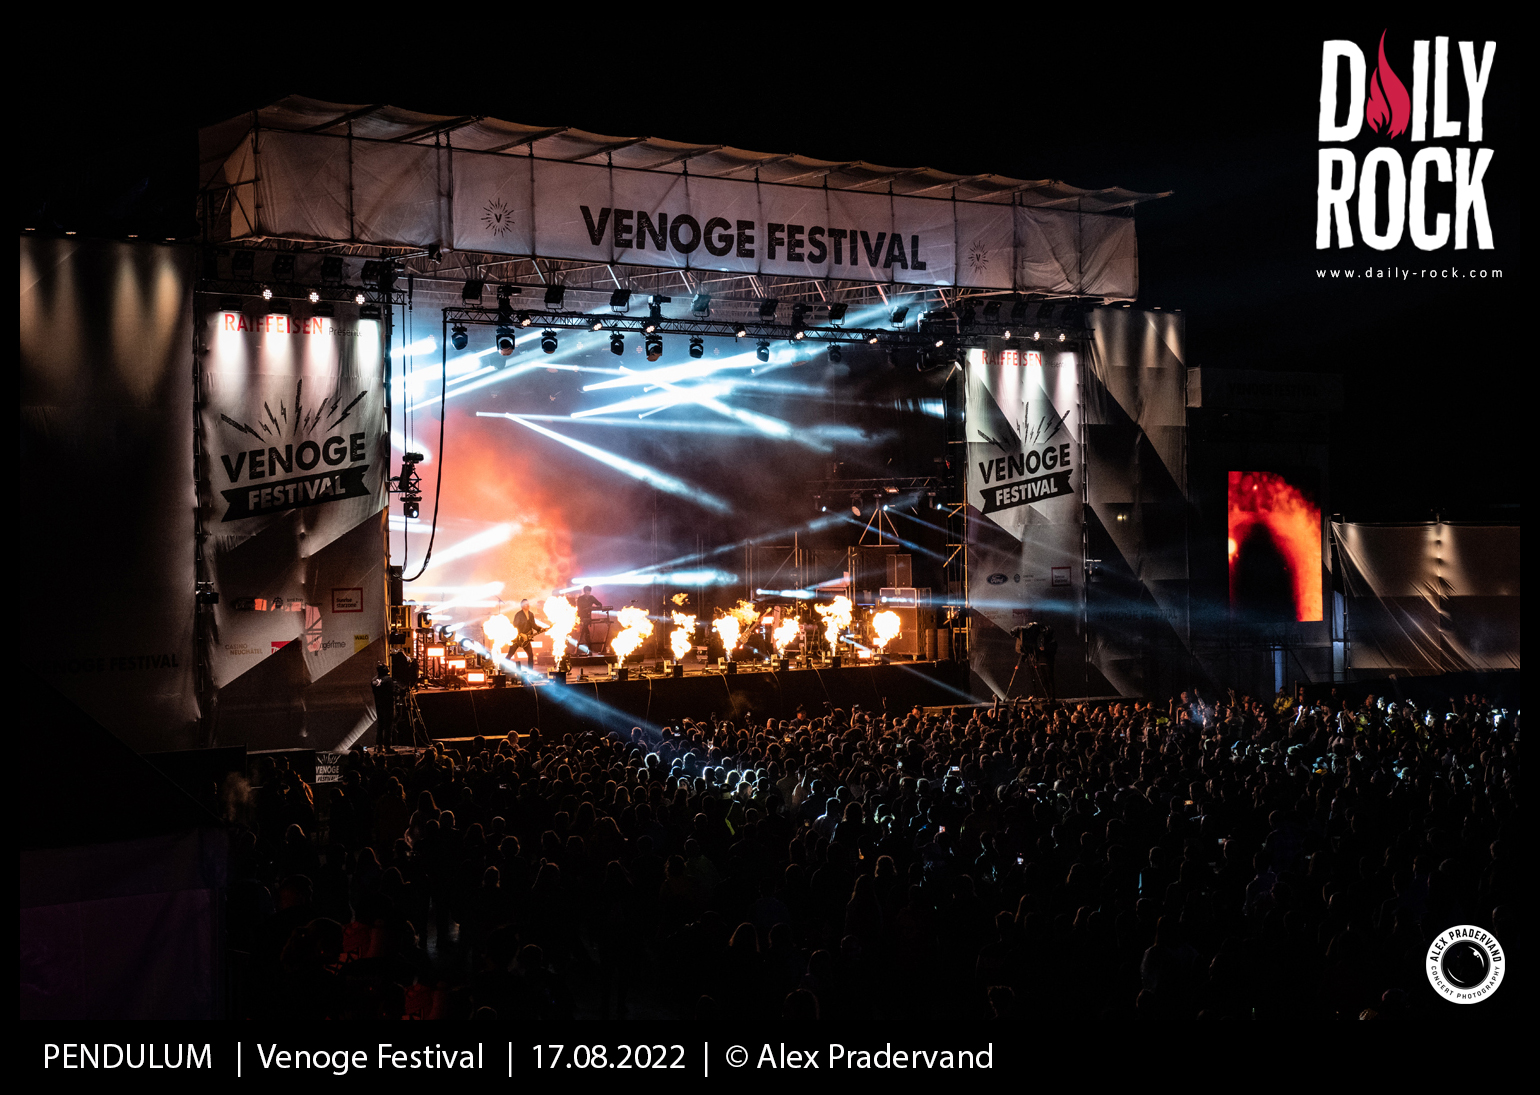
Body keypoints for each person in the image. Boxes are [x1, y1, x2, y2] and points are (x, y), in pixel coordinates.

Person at [508, 600, 541, 673]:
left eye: (528, 604)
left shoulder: (531, 614)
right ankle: (501, 670)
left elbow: (533, 625)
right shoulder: (518, 615)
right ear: (522, 606)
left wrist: (540, 629)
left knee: (530, 655)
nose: (528, 605)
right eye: (526, 604)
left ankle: (530, 671)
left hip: (526, 640)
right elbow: (515, 626)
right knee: (510, 654)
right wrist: (521, 634)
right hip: (517, 638)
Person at [575, 585, 603, 652]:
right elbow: (579, 609)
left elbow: (599, 603)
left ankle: (589, 647)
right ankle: (588, 647)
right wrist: (581, 616)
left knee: (586, 631)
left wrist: (598, 606)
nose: (588, 593)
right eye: (587, 592)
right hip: (582, 617)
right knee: (585, 631)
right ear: (584, 592)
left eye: (589, 592)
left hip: (588, 617)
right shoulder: (580, 598)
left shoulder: (591, 598)